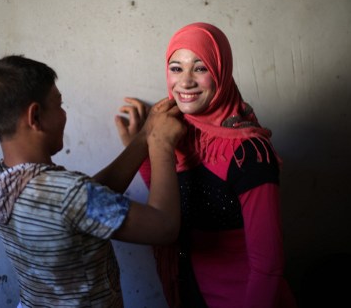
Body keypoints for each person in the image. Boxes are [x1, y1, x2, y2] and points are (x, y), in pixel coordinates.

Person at [0, 55, 185, 307]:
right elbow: (164, 228)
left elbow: (85, 204)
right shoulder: (68, 195)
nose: (64, 114)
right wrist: (161, 144)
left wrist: (143, 137)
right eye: (59, 104)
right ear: (36, 116)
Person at [115, 23, 297, 308]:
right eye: (176, 68)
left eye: (200, 68)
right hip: (189, 294)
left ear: (221, 72)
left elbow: (268, 268)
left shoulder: (249, 152)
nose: (185, 81)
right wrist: (140, 146)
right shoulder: (176, 132)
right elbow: (171, 207)